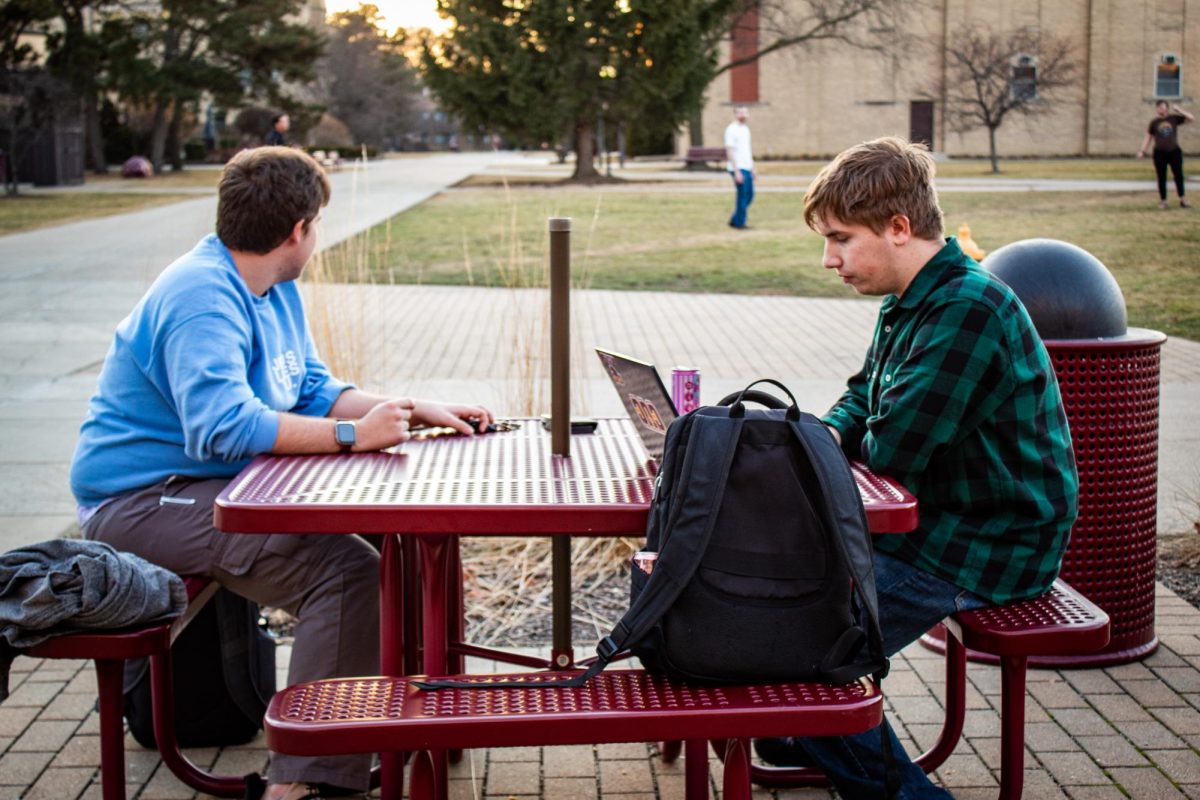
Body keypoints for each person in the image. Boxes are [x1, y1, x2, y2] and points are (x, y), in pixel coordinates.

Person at [69, 146, 492, 800]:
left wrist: (404, 407)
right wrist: (354, 437)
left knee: (391, 543)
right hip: (143, 503)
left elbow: (314, 389)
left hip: (207, 489)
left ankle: (389, 726)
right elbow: (224, 427)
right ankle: (304, 783)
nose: (316, 238)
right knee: (345, 572)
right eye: (317, 225)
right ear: (298, 230)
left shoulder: (272, 288)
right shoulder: (200, 295)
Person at [754, 137, 1078, 798]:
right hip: (939, 523)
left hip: (986, 544)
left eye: (841, 239)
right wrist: (812, 437)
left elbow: (891, 453)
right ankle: (803, 727)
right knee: (774, 592)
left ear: (899, 228)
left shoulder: (966, 310)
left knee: (800, 643)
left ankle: (874, 768)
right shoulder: (911, 301)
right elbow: (860, 400)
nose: (828, 260)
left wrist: (802, 456)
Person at [1137, 100, 1193, 209]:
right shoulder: (1154, 122)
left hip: (1174, 152)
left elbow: (1191, 118)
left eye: (1163, 107)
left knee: (1178, 176)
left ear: (1167, 108)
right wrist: (1142, 151)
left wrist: (1179, 110)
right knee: (1161, 177)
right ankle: (1163, 201)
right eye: (1159, 107)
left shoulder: (1174, 119)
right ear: (1157, 109)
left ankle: (1182, 199)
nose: (1161, 109)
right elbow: (1148, 137)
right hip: (1159, 153)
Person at [724, 105, 756, 229]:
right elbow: (730, 151)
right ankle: (740, 223)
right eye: (740, 112)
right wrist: (736, 171)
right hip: (738, 168)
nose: (743, 114)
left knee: (750, 195)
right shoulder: (731, 129)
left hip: (747, 167)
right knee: (742, 195)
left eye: (745, 112)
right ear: (736, 114)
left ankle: (735, 219)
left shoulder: (746, 129)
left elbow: (747, 151)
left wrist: (753, 167)